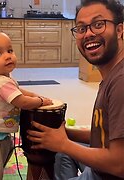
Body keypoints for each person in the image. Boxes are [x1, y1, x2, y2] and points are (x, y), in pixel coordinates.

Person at [27, 0, 124, 179]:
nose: (88, 33)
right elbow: (104, 135)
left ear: (120, 30)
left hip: (110, 173)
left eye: (98, 24)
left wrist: (63, 143)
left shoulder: (120, 83)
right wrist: (66, 135)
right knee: (61, 150)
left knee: (62, 148)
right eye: (81, 28)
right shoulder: (112, 74)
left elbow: (119, 164)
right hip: (102, 167)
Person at [0, 31, 53, 179]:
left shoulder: (0, 77)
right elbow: (22, 102)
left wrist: (32, 94)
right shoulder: (0, 82)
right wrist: (41, 101)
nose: (7, 56)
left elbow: (17, 90)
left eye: (9, 50)